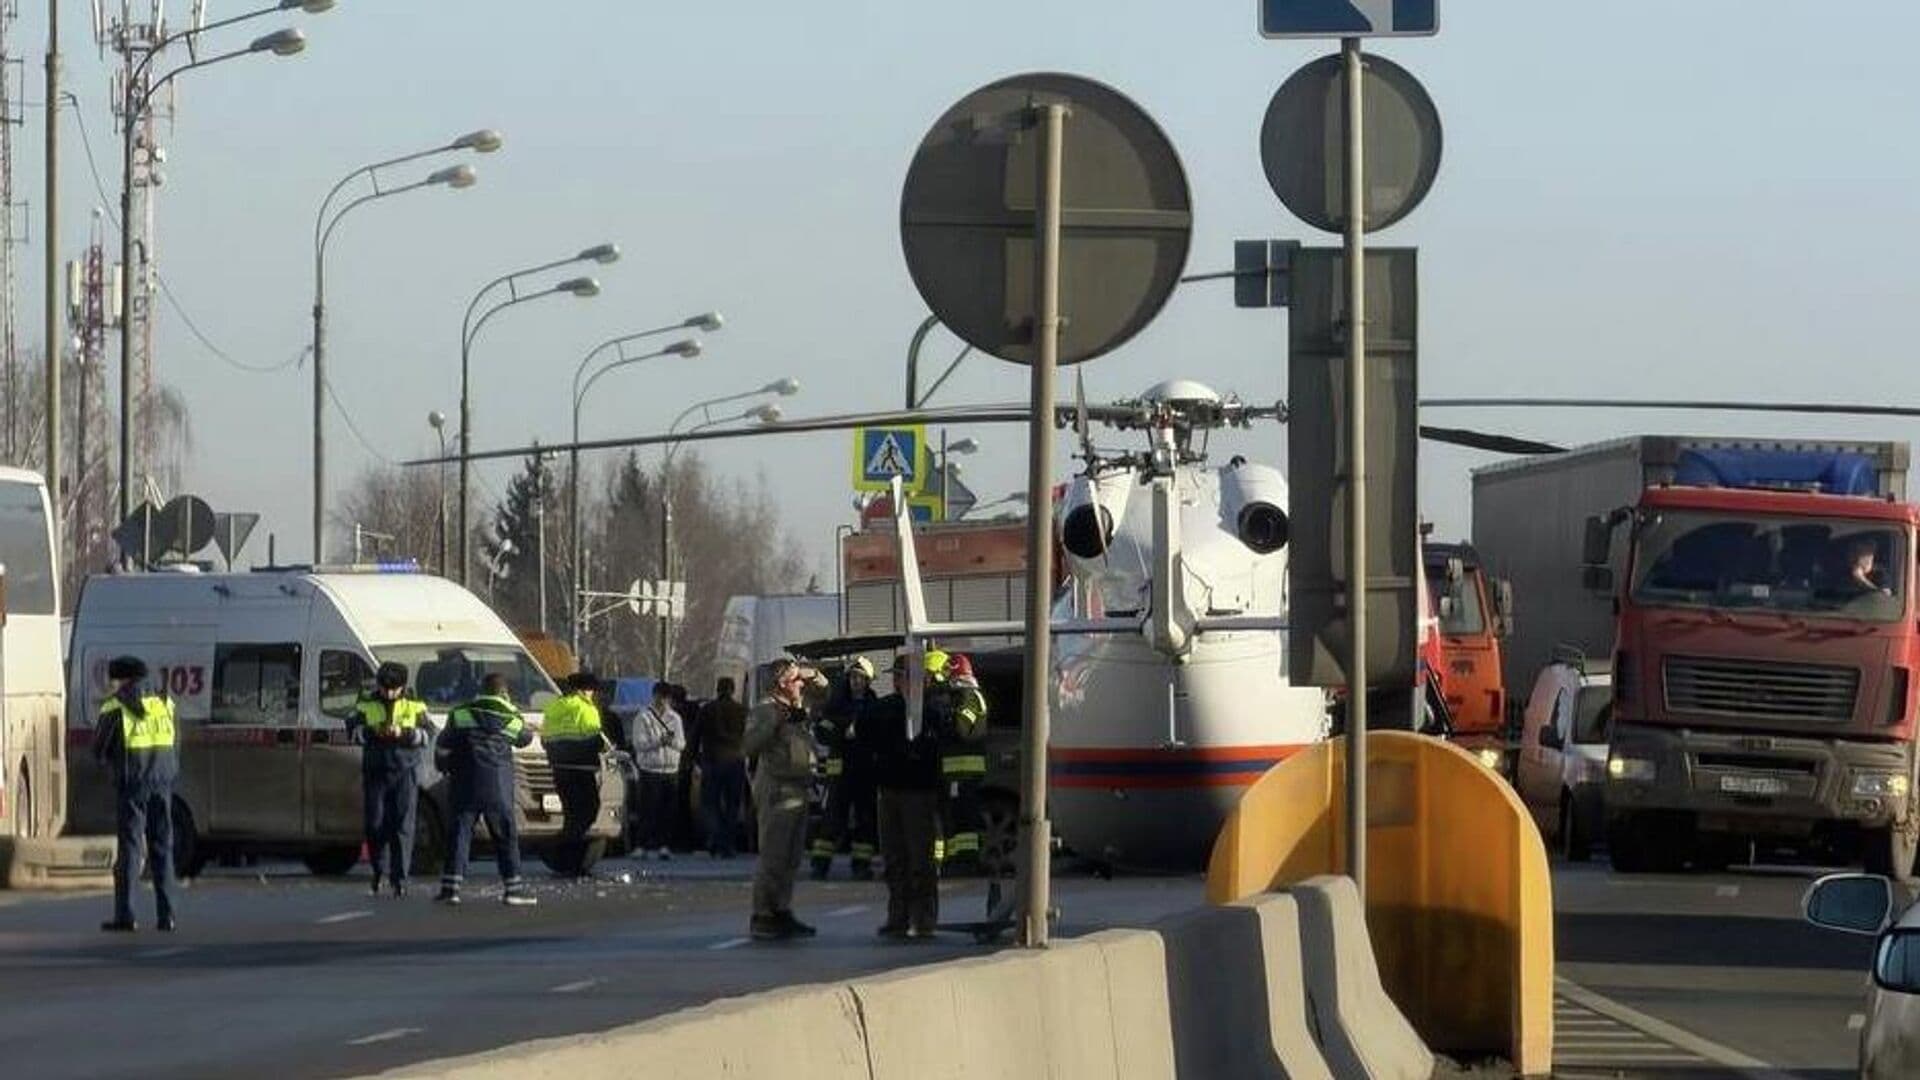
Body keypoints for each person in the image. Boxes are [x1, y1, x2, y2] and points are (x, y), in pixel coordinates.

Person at [435, 672, 537, 907]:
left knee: (460, 835)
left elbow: (443, 745)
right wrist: (515, 713)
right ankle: (513, 889)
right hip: (497, 786)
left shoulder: (460, 713)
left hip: (465, 783)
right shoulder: (509, 717)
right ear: (504, 693)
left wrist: (445, 766)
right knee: (505, 836)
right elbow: (525, 738)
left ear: (481, 690)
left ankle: (451, 889)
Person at [93, 656, 178, 932]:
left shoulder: (115, 706)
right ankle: (167, 916)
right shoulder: (165, 702)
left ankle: (126, 915)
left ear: (122, 679)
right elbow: (175, 743)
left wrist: (112, 768)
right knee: (162, 848)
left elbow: (99, 749)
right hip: (163, 783)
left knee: (130, 849)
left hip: (132, 785)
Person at [743, 658, 824, 940]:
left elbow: (825, 690)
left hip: (798, 788)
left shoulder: (797, 708)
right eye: (796, 680)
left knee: (791, 857)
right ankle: (763, 913)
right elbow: (750, 744)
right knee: (774, 855)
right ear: (782, 683)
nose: (802, 684)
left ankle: (781, 908)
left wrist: (809, 673)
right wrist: (775, 722)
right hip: (777, 788)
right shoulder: (767, 709)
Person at [872, 651, 944, 939]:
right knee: (894, 857)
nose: (899, 682)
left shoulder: (932, 711)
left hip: (919, 792)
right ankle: (898, 916)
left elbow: (937, 747)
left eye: (904, 677)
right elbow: (863, 736)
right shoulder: (885, 709)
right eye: (898, 677)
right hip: (889, 789)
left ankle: (923, 917)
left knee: (920, 858)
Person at [345, 660, 430, 898]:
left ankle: (400, 878)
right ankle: (378, 871)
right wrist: (374, 731)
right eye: (385, 688)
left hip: (405, 771)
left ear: (402, 686)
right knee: (375, 824)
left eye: (394, 689)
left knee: (403, 825)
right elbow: (352, 732)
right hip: (376, 772)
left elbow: (427, 735)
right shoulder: (366, 704)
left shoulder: (415, 705)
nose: (389, 693)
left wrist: (404, 734)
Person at [811, 657, 880, 881]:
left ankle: (861, 865)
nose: (856, 681)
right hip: (839, 771)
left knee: (865, 819)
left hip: (865, 771)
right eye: (853, 677)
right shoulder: (837, 704)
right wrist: (842, 731)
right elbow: (822, 732)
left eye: (861, 678)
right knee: (833, 818)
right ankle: (820, 865)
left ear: (868, 681)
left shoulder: (874, 705)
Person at [542, 670, 606, 878]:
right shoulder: (586, 708)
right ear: (584, 690)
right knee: (588, 811)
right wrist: (604, 747)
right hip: (582, 770)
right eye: (591, 690)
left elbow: (545, 740)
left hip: (560, 770)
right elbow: (594, 740)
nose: (592, 694)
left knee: (571, 815)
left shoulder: (554, 707)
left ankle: (566, 859)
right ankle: (563, 855)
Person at [935, 652, 991, 875]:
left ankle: (965, 861)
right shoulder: (969, 695)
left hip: (963, 770)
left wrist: (946, 718)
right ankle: (956, 859)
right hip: (959, 771)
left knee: (963, 818)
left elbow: (961, 729)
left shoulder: (968, 696)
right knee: (956, 816)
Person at [631, 681, 685, 860]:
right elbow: (639, 744)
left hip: (670, 770)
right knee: (648, 809)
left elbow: (681, 744)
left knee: (668, 811)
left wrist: (671, 742)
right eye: (660, 697)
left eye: (666, 698)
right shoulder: (643, 717)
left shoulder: (675, 718)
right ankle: (642, 845)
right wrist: (659, 741)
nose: (663, 701)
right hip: (650, 769)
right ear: (654, 696)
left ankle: (664, 845)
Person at [699, 676, 749, 858]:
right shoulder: (742, 711)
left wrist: (688, 759)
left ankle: (716, 838)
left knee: (710, 803)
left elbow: (696, 735)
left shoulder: (707, 709)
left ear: (717, 689)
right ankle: (728, 844)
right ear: (733, 690)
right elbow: (750, 737)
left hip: (712, 761)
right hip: (735, 762)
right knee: (732, 805)